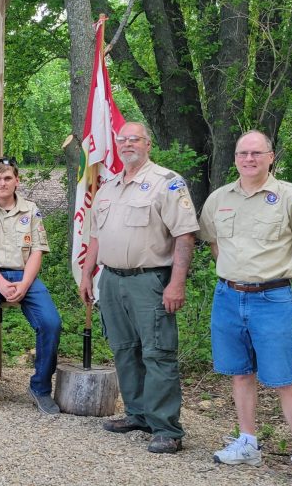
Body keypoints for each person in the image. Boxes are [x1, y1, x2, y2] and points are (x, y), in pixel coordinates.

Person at [199, 130, 292, 485]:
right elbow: (214, 243)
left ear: (271, 156)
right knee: (240, 372)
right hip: (228, 297)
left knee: (286, 378)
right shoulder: (219, 199)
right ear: (235, 157)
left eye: (257, 153)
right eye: (243, 153)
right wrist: (237, 276)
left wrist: (273, 278)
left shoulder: (290, 197)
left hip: (272, 299)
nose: (249, 159)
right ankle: (248, 442)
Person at [78, 122, 198, 454]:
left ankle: (166, 428)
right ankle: (137, 413)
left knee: (158, 352)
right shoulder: (109, 187)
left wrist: (176, 283)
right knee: (124, 349)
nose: (128, 144)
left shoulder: (166, 183)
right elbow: (96, 236)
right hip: (112, 279)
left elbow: (184, 235)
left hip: (150, 280)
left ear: (148, 144)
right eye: (123, 139)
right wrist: (88, 274)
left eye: (135, 139)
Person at [0, 157, 62, 415]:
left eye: (8, 178)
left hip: (23, 274)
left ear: (17, 181)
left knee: (51, 322)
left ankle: (40, 387)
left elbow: (38, 250)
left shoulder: (30, 209)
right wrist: (1, 282)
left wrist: (25, 283)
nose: (3, 183)